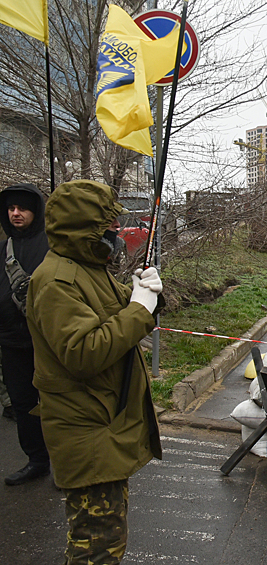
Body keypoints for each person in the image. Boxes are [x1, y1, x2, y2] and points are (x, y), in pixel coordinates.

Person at [27, 180, 163, 563]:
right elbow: (83, 353)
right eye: (107, 225)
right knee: (96, 545)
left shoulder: (89, 269)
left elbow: (125, 321)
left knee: (106, 536)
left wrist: (149, 296)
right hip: (85, 427)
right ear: (85, 228)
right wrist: (139, 308)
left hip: (102, 420)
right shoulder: (56, 280)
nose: (115, 232)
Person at [1, 183, 51, 485]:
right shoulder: (5, 248)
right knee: (22, 403)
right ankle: (36, 460)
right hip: (11, 341)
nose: (15, 213)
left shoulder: (51, 245)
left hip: (45, 341)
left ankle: (65, 462)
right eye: (11, 208)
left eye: (22, 208)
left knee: (56, 403)